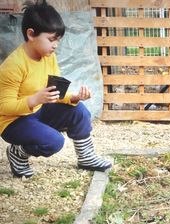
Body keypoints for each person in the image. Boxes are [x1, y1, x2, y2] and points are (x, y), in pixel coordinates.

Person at [0, 0, 111, 178]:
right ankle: (17, 153)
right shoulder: (14, 65)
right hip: (13, 122)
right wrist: (34, 99)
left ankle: (86, 157)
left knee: (79, 111)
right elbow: (3, 107)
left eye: (58, 40)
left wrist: (74, 97)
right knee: (54, 142)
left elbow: (55, 92)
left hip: (38, 110)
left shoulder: (47, 56)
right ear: (31, 34)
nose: (55, 45)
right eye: (51, 39)